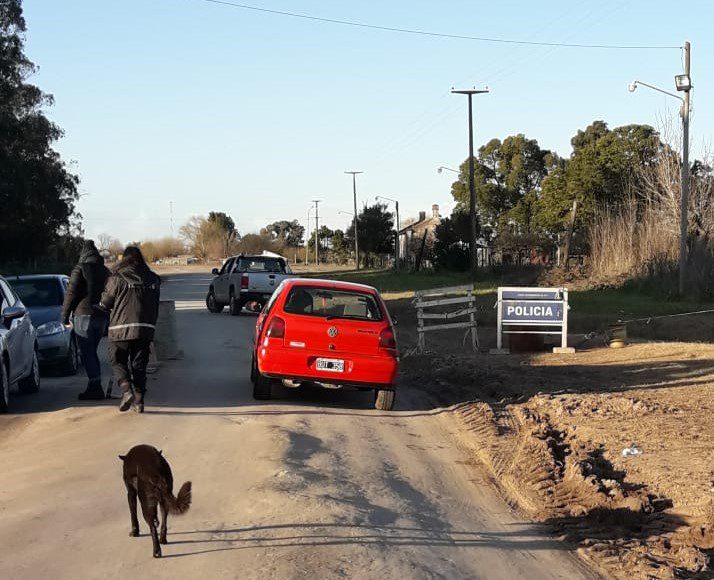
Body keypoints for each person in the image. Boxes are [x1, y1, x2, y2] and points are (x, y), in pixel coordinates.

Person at [100, 246, 161, 413]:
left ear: (124, 259)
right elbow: (156, 303)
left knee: (117, 360)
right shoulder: (153, 279)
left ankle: (127, 391)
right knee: (139, 365)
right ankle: (140, 402)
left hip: (121, 328)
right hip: (145, 328)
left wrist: (101, 304)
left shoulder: (117, 277)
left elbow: (106, 302)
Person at [61, 240, 110, 400]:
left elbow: (71, 293)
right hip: (102, 317)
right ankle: (93, 385)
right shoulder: (105, 271)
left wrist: (64, 316)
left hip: (84, 315)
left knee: (87, 353)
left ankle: (95, 387)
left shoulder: (80, 268)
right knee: (92, 352)